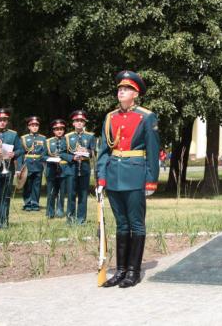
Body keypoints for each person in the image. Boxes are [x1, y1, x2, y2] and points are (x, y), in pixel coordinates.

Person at [96, 70, 160, 288]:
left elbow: (153, 151)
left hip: (135, 175)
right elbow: (104, 151)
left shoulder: (146, 117)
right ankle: (121, 270)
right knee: (121, 224)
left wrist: (151, 180)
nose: (121, 91)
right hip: (114, 176)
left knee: (136, 223)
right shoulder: (110, 118)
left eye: (126, 89)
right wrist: (101, 179)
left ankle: (134, 270)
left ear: (136, 93)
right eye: (120, 89)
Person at [66, 110, 95, 224]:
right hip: (72, 168)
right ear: (73, 123)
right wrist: (72, 157)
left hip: (84, 167)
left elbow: (94, 153)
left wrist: (87, 150)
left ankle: (81, 219)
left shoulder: (90, 136)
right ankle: (70, 218)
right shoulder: (67, 137)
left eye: (81, 121)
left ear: (84, 123)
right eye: (77, 121)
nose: (79, 123)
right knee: (71, 194)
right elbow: (62, 152)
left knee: (83, 194)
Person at [20, 116, 47, 211]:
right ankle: (27, 203)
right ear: (29, 127)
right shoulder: (23, 138)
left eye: (36, 125)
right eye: (32, 125)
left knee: (37, 185)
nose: (35, 127)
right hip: (27, 164)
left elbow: (44, 152)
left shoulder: (43, 138)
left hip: (38, 164)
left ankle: (35, 204)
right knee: (27, 185)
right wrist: (20, 167)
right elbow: (21, 153)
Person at [44, 119, 68, 218]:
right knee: (51, 192)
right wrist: (50, 158)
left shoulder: (67, 141)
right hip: (51, 169)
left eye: (61, 129)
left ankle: (60, 210)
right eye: (57, 129)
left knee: (62, 192)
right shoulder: (48, 142)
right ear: (53, 130)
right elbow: (42, 156)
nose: (59, 131)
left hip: (64, 169)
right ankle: (50, 212)